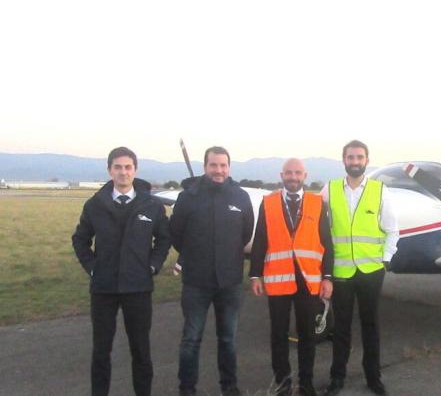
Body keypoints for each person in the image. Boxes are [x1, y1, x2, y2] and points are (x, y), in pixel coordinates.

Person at [72, 146, 171, 396]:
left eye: (128, 167)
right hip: (103, 289)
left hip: (138, 288)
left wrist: (153, 265)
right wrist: (93, 268)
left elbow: (164, 239)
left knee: (140, 350)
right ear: (109, 170)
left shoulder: (152, 205)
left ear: (135, 170)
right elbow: (80, 239)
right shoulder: (94, 204)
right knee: (101, 350)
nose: (123, 172)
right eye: (118, 167)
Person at [170, 146, 255, 396]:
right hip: (196, 282)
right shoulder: (188, 197)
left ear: (229, 167)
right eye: (213, 165)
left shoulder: (240, 197)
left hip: (230, 282)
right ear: (205, 166)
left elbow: (245, 233)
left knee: (228, 339)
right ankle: (187, 389)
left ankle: (229, 387)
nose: (219, 170)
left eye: (223, 165)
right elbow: (177, 235)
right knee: (191, 339)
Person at [249, 158, 334, 396]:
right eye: (289, 173)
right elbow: (261, 240)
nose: (293, 177)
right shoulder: (269, 203)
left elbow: (327, 241)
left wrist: (328, 276)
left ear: (305, 175)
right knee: (278, 334)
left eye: (297, 173)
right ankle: (283, 384)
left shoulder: (318, 203)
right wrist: (255, 274)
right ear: (281, 175)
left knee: (307, 335)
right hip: (278, 281)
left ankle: (306, 384)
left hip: (309, 280)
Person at [322, 140, 399, 396]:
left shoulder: (380, 191)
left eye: (359, 157)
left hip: (371, 271)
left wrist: (385, 260)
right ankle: (337, 377)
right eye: (350, 157)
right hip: (341, 272)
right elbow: (320, 230)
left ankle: (373, 377)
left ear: (367, 160)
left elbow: (392, 230)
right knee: (341, 328)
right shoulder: (329, 190)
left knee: (371, 326)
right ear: (343, 160)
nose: (355, 162)